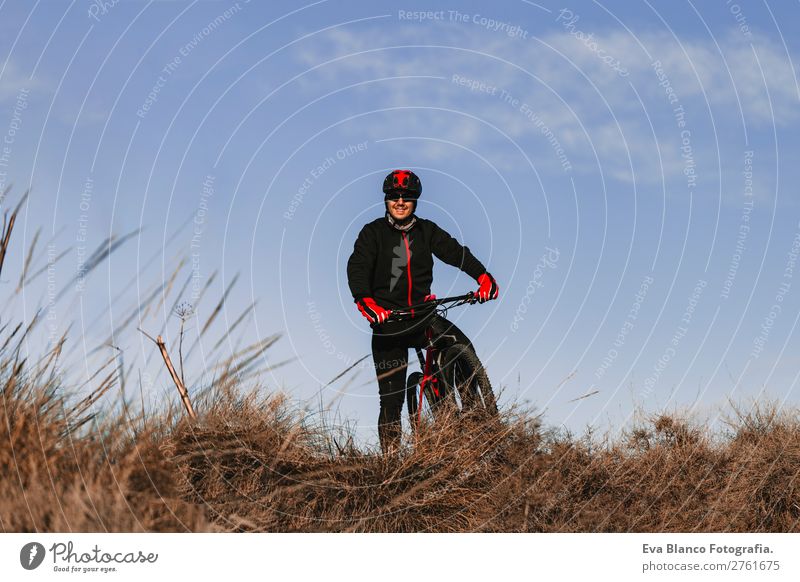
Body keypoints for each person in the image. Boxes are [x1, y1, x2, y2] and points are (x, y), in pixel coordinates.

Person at [346, 169, 499, 454]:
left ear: (415, 200)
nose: (400, 201)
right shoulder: (373, 233)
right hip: (388, 324)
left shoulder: (426, 231)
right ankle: (391, 464)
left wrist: (483, 277)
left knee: (462, 346)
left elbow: (456, 252)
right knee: (390, 399)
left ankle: (476, 417)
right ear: (386, 200)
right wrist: (366, 302)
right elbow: (357, 268)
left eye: (407, 197)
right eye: (394, 196)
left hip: (423, 316)